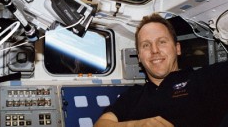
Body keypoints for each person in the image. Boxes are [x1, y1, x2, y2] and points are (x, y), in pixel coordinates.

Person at [94, 13, 228, 127]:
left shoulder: (205, 79)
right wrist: (137, 125)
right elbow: (101, 124)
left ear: (177, 48)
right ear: (139, 56)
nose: (154, 50)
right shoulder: (132, 95)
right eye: (146, 45)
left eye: (162, 42)